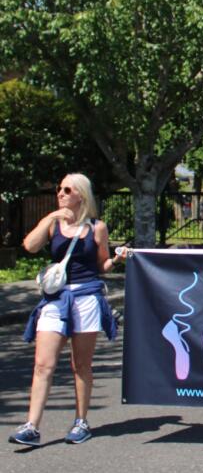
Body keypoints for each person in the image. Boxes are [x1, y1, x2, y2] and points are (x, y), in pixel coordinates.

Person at [10, 173, 122, 447]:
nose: (60, 193)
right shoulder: (54, 223)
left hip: (86, 297)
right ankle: (31, 425)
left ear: (81, 195)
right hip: (55, 299)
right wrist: (50, 218)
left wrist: (117, 259)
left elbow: (101, 265)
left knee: (80, 365)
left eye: (67, 189)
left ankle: (81, 420)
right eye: (59, 188)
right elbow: (30, 245)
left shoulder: (97, 227)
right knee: (42, 364)